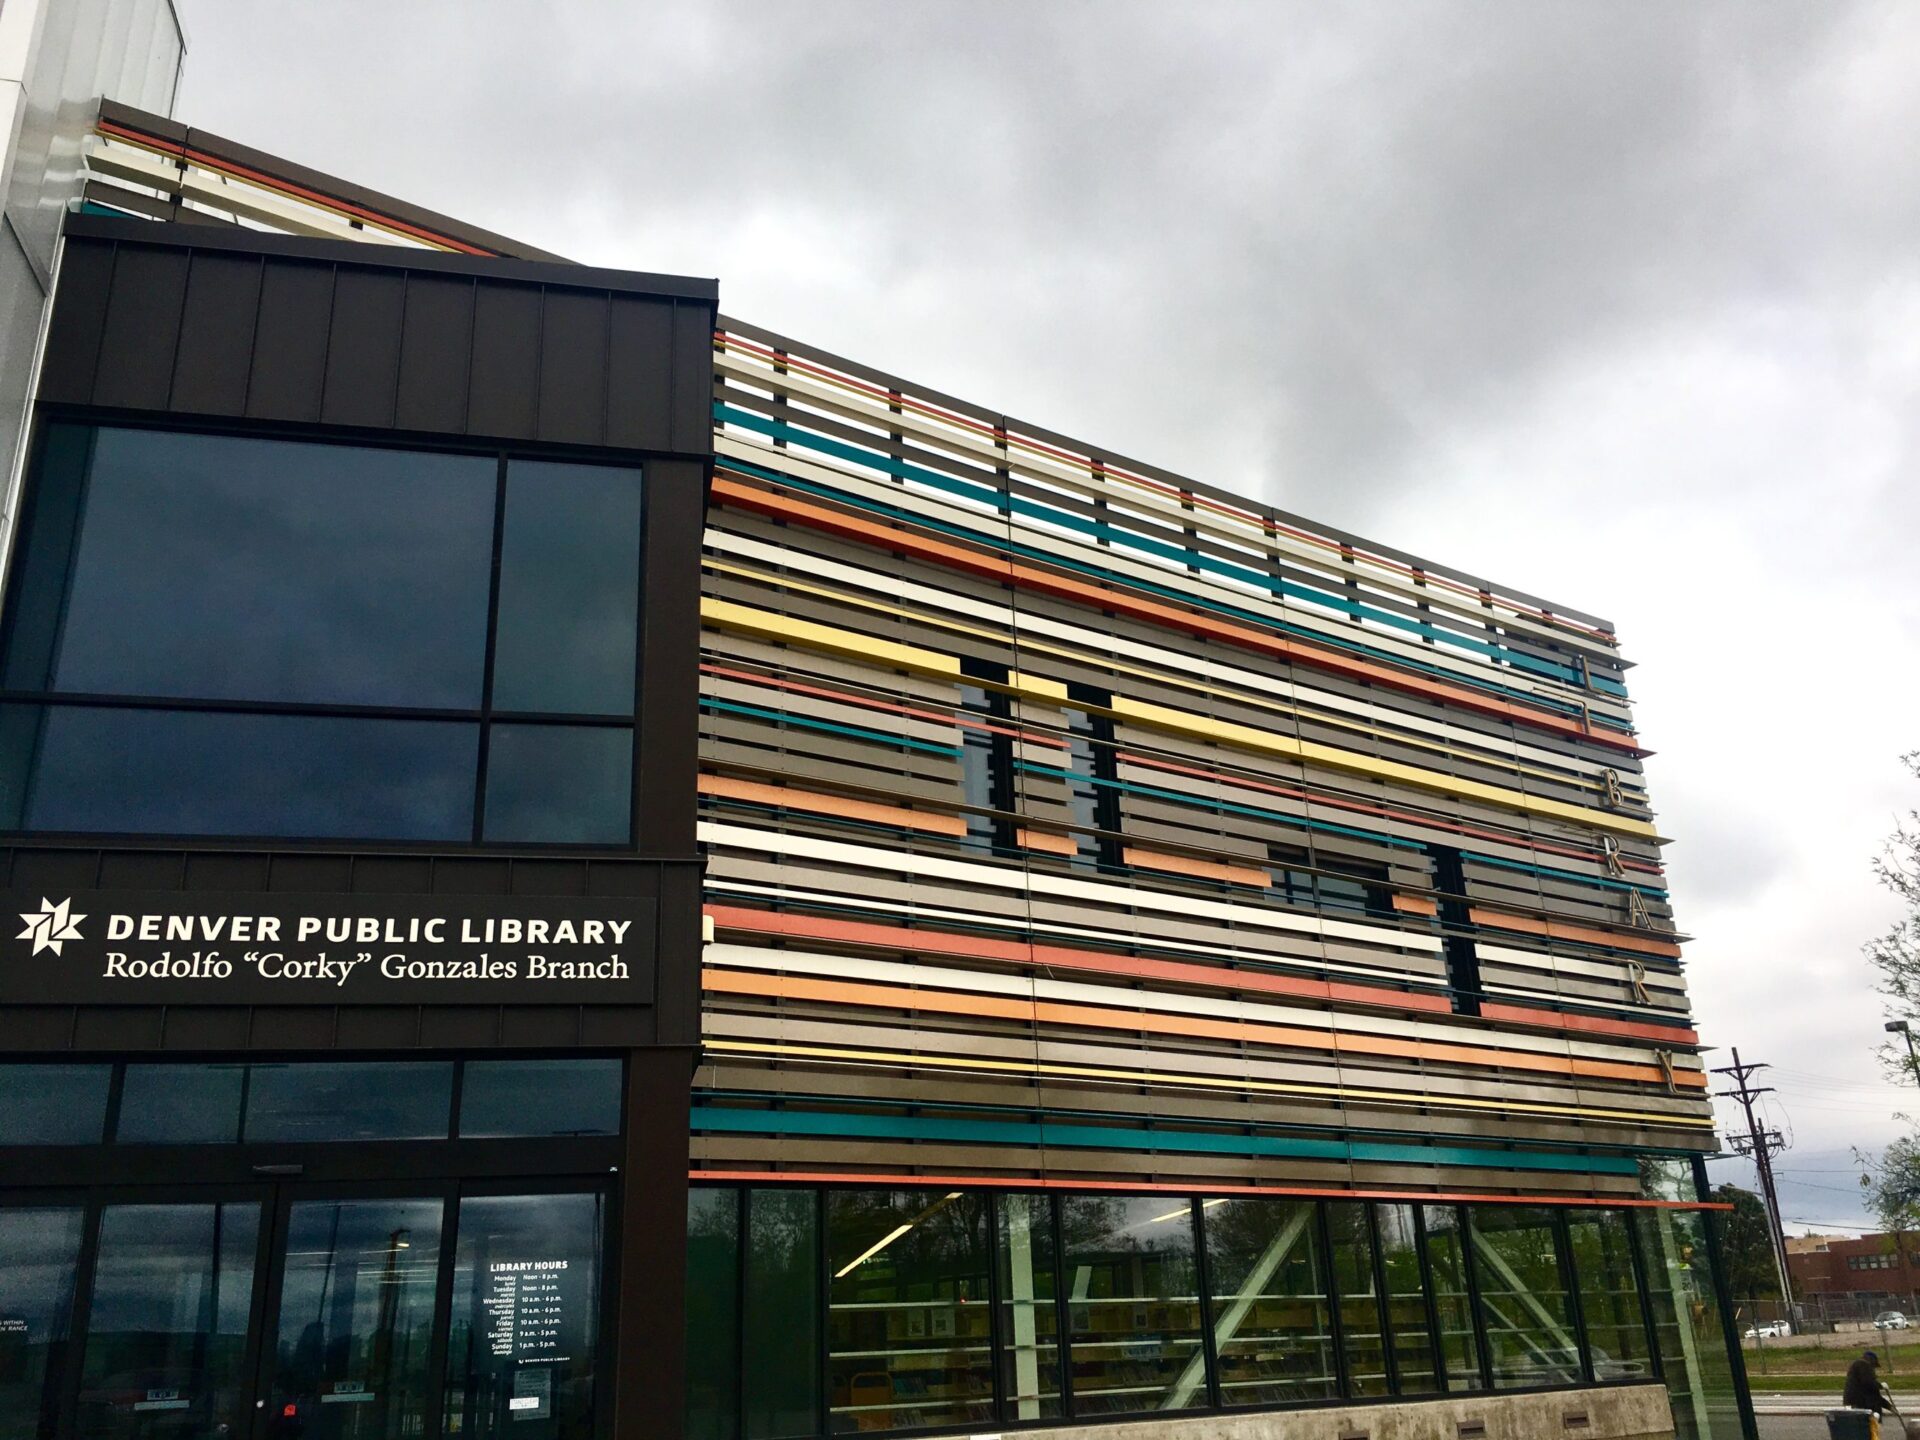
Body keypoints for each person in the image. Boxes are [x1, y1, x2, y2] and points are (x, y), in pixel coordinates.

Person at [1845, 1349, 1892, 1436]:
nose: (1874, 1369)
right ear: (1872, 1361)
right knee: (1865, 1433)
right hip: (1862, 1407)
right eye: (1874, 1366)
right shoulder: (1863, 1365)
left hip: (1858, 1405)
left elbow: (1875, 1395)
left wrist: (1889, 1406)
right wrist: (1880, 1385)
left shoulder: (1858, 1371)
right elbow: (1868, 1384)